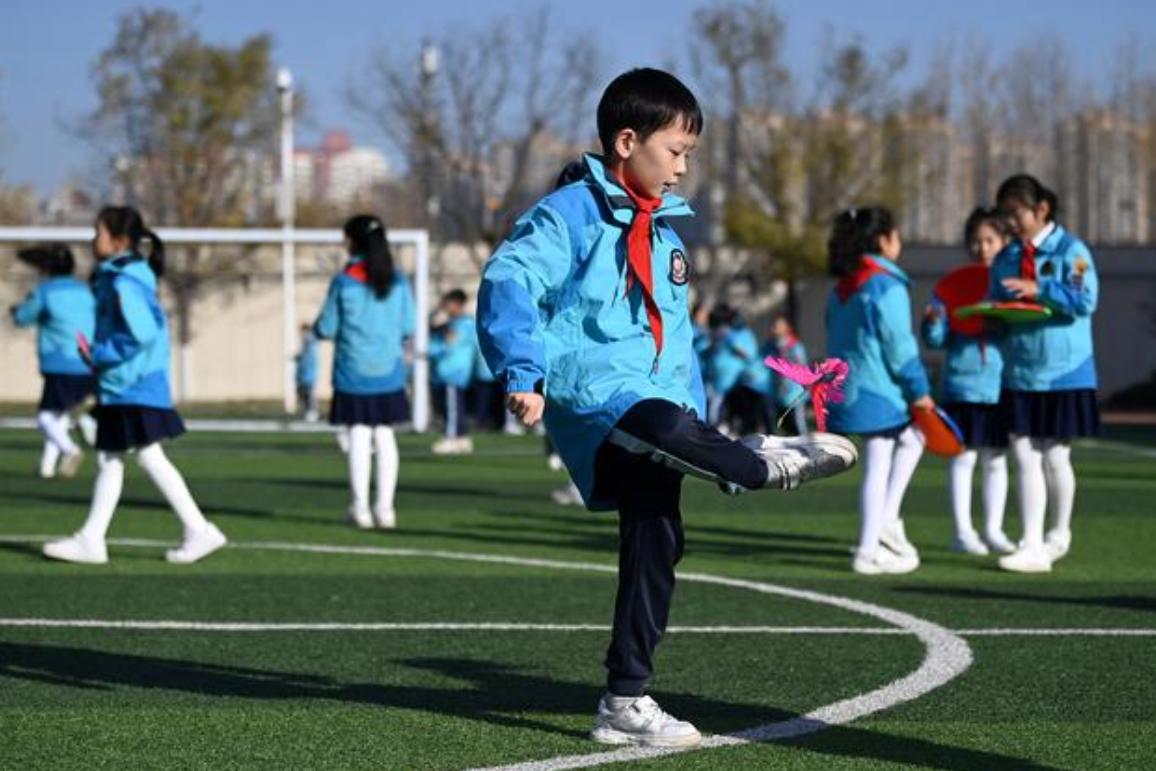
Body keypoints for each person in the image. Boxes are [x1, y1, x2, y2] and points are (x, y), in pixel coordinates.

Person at [477, 67, 856, 748]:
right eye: (675, 151)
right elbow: (511, 278)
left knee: (657, 536)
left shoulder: (666, 236)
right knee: (653, 419)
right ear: (627, 141)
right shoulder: (567, 214)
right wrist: (523, 370)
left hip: (658, 411)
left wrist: (698, 425)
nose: (683, 168)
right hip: (599, 399)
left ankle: (625, 698)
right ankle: (757, 465)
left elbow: (678, 346)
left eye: (689, 155)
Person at [42, 206, 226, 564]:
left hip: (133, 384)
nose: (94, 239)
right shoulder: (124, 277)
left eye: (99, 232)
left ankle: (198, 530)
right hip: (126, 384)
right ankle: (94, 539)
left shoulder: (125, 282)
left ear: (120, 240)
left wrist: (97, 355)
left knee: (140, 456)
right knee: (117, 457)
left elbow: (139, 335)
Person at [989, 174, 1100, 573]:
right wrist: (991, 318)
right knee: (1023, 453)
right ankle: (1031, 542)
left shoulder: (1072, 251)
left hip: (1063, 371)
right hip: (1020, 371)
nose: (1011, 224)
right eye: (1006, 216)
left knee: (1055, 455)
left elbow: (1086, 299)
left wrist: (1040, 289)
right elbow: (998, 304)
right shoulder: (1004, 257)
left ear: (1041, 209)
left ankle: (1058, 534)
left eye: (1016, 214)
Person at [825, 206, 932, 576]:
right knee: (883, 458)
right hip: (879, 391)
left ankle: (883, 524)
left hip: (847, 387)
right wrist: (919, 389)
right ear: (884, 240)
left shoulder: (843, 286)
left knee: (908, 442)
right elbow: (900, 346)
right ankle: (870, 547)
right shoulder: (885, 284)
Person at [921, 207, 1015, 555]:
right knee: (962, 458)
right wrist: (932, 323)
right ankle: (962, 532)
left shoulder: (1013, 284)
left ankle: (993, 530)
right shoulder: (952, 285)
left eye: (990, 240)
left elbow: (1023, 329)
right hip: (963, 384)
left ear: (1005, 241)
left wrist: (1002, 324)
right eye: (976, 241)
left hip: (1002, 385)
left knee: (996, 459)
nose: (983, 247)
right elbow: (937, 339)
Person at [313, 214, 414, 530]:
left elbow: (326, 326)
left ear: (353, 241)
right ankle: (386, 510)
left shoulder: (344, 281)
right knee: (384, 435)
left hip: (352, 371)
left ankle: (360, 508)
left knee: (358, 434)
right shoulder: (398, 280)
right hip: (388, 371)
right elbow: (409, 326)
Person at [10, 244, 97, 478]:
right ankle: (47, 468)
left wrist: (16, 310)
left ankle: (71, 449)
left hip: (60, 362)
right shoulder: (85, 291)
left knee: (46, 416)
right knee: (60, 416)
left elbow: (23, 317)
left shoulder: (46, 291)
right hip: (88, 362)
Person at [429, 289, 477, 455]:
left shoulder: (463, 325)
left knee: (452, 407)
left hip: (453, 373)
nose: (445, 307)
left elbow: (448, 345)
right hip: (447, 373)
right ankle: (462, 438)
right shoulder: (454, 324)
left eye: (448, 303)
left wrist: (427, 350)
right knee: (455, 406)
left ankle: (451, 438)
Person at [767, 313, 809, 435]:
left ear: (787, 327)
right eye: (772, 326)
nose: (773, 329)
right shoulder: (772, 346)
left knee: (798, 425)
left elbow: (802, 368)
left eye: (777, 326)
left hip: (794, 393)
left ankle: (807, 449)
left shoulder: (795, 347)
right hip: (778, 393)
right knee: (782, 427)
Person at [294, 323, 320, 422]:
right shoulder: (306, 341)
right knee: (302, 392)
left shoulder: (310, 341)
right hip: (303, 373)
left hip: (309, 373)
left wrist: (300, 358)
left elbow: (309, 358)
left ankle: (313, 412)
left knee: (309, 393)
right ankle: (309, 411)